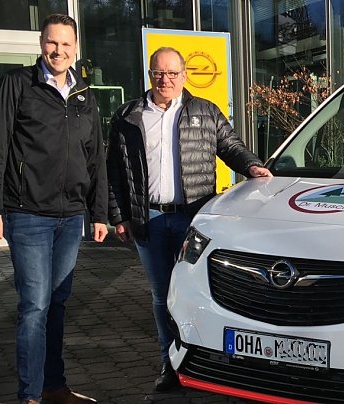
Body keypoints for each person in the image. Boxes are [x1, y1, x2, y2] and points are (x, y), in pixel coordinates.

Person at [105, 47, 272, 392]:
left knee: (200, 293)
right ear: (149, 74)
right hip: (148, 219)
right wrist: (119, 217)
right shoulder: (127, 116)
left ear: (184, 75)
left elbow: (231, 146)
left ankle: (204, 361)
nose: (164, 80)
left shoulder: (204, 111)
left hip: (193, 221)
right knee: (161, 294)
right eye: (158, 73)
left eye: (171, 73)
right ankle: (170, 364)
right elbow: (114, 172)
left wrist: (252, 166)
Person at [0, 13, 107, 404]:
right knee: (34, 305)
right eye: (52, 43)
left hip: (70, 217)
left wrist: (99, 212)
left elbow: (95, 157)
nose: (59, 50)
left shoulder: (85, 95)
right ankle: (29, 395)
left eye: (66, 44)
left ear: (75, 49)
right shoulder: (18, 85)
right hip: (27, 213)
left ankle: (54, 386)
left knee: (57, 304)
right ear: (41, 44)